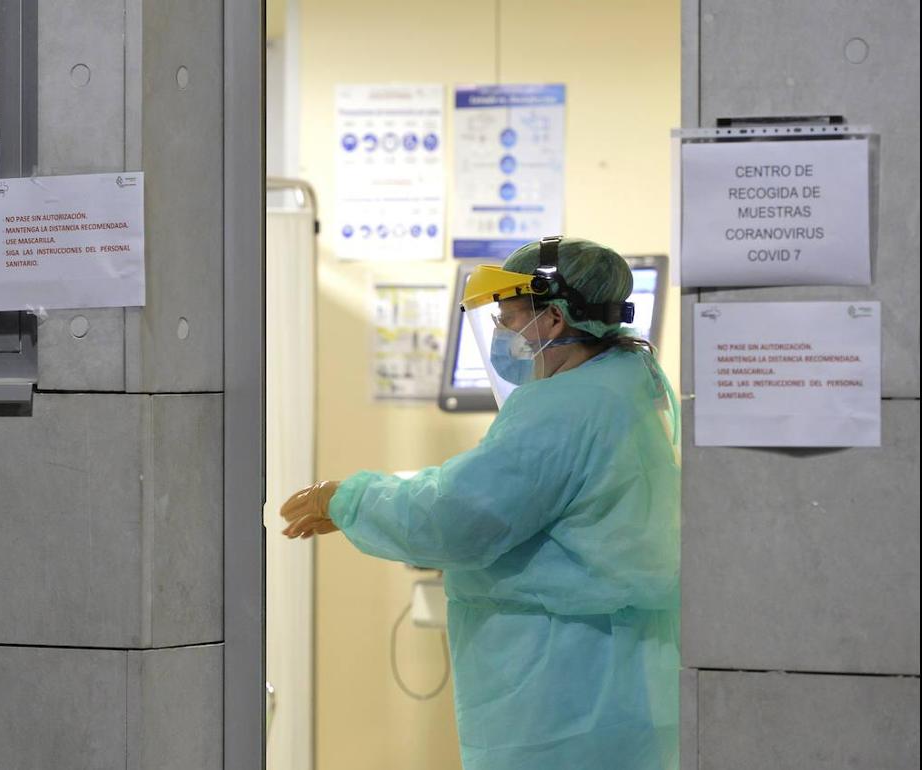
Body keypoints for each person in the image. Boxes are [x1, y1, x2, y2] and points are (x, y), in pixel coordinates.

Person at [281, 236, 680, 770]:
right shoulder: (630, 380)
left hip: (561, 691)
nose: (501, 333)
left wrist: (348, 499)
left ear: (554, 319)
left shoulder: (565, 408)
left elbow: (454, 519)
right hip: (622, 678)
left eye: (509, 317)